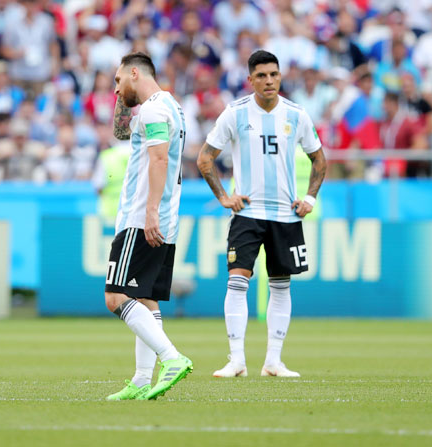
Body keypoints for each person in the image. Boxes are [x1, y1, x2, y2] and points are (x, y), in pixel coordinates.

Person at [196, 50, 326, 378]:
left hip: (286, 214)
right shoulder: (235, 114)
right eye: (262, 76)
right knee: (237, 280)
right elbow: (204, 159)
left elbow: (320, 160)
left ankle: (273, 361)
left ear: (280, 76)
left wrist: (309, 197)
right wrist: (225, 196)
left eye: (274, 74)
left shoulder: (297, 115)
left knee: (281, 286)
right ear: (250, 80)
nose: (269, 81)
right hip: (248, 213)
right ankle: (236, 359)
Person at [104, 52, 192, 401]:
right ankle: (142, 379)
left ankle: (171, 358)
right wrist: (126, 95)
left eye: (117, 80)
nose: (114, 89)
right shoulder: (169, 107)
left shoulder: (154, 110)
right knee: (146, 299)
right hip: (163, 215)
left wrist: (149, 212)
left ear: (135, 73)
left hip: (141, 217)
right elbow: (120, 130)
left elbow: (158, 158)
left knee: (115, 297)